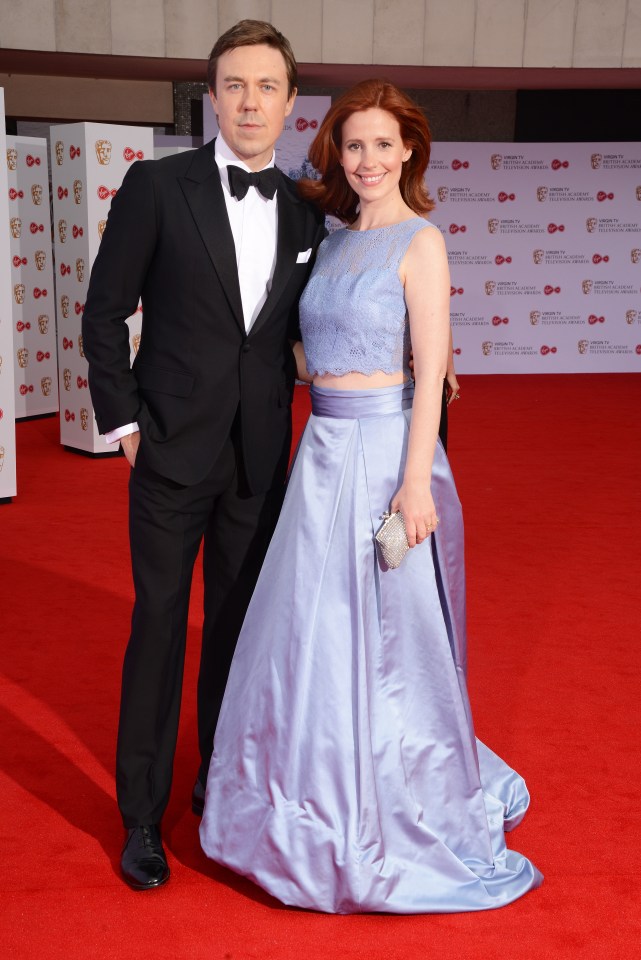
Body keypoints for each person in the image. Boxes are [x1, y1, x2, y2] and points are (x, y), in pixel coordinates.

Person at [200, 79, 543, 913]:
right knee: (307, 632)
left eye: (383, 145)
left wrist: (415, 482)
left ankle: (389, 794)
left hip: (387, 451)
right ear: (336, 152)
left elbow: (431, 377)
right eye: (353, 145)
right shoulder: (330, 238)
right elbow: (305, 351)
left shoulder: (421, 244)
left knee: (385, 641)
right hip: (320, 450)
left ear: (409, 152)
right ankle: (300, 788)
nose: (367, 160)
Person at [81, 20, 326, 891]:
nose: (251, 101)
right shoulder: (155, 187)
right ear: (210, 96)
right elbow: (102, 312)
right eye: (234, 85)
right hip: (170, 452)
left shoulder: (306, 208)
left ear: (291, 102)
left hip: (260, 459)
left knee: (234, 632)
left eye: (267, 87)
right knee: (157, 629)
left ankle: (217, 784)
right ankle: (141, 819)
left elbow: (299, 333)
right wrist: (126, 422)